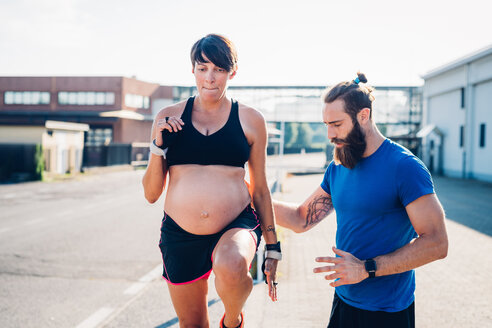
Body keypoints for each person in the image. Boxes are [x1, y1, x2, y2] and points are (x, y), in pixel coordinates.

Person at [273, 73, 448, 328]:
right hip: (344, 301)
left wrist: (367, 268)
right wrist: (250, 197)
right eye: (326, 125)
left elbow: (437, 243)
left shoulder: (405, 167)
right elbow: (301, 219)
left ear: (363, 116)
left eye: (336, 124)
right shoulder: (339, 165)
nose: (330, 134)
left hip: (387, 312)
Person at [142, 34, 280, 328]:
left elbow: (260, 189)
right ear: (193, 70)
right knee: (192, 324)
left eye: (219, 69)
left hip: (235, 224)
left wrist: (273, 246)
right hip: (180, 234)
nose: (210, 78)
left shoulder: (250, 120)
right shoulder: (168, 117)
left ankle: (232, 321)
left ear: (233, 72)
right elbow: (151, 194)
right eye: (203, 68)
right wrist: (157, 146)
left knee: (231, 263)